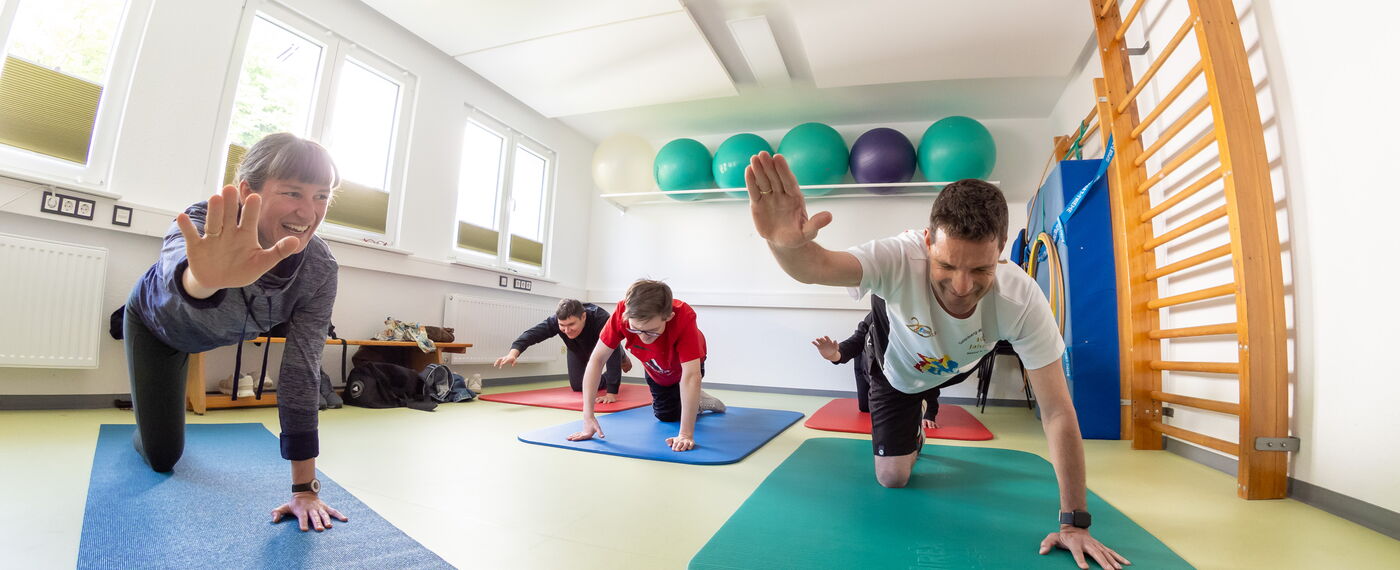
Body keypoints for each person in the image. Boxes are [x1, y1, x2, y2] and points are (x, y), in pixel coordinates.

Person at [746, 152, 1128, 570]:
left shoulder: (1021, 300)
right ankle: (908, 420)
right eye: (946, 264)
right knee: (893, 479)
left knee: (941, 369)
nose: (962, 286)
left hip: (946, 365)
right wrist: (783, 245)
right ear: (927, 240)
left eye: (980, 268)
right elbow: (816, 265)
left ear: (1001, 250)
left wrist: (1074, 522)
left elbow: (1057, 410)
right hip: (894, 367)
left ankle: (921, 408)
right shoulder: (898, 256)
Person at [123, 133, 346, 532]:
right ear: (248, 192)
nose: (308, 211)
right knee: (162, 458)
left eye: (321, 196)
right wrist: (205, 280)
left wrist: (305, 489)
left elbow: (302, 368)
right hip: (157, 327)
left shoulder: (320, 269)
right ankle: (142, 424)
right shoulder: (204, 223)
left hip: (211, 334)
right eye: (293, 192)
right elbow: (183, 274)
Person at [566, 279, 725, 451]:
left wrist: (685, 434)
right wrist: (588, 417)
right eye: (636, 329)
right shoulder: (622, 314)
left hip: (686, 366)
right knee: (666, 416)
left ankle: (701, 402)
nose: (643, 337)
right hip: (655, 366)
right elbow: (597, 360)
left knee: (685, 408)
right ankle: (693, 401)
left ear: (668, 317)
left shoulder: (683, 316)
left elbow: (691, 375)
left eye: (651, 331)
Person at [811, 305, 942, 429]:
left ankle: (921, 405)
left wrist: (930, 412)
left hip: (900, 372)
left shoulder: (916, 320)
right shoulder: (875, 314)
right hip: (869, 365)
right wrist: (834, 354)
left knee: (901, 406)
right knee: (866, 408)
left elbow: (931, 365)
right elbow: (857, 340)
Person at [494, 299, 632, 403]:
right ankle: (604, 375)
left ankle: (623, 356)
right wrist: (513, 353)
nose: (566, 330)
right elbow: (532, 335)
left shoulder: (601, 319)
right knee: (578, 386)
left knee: (614, 350)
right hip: (576, 348)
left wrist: (612, 392)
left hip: (604, 347)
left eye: (571, 324)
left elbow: (611, 353)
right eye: (562, 326)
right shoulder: (555, 321)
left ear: (583, 317)